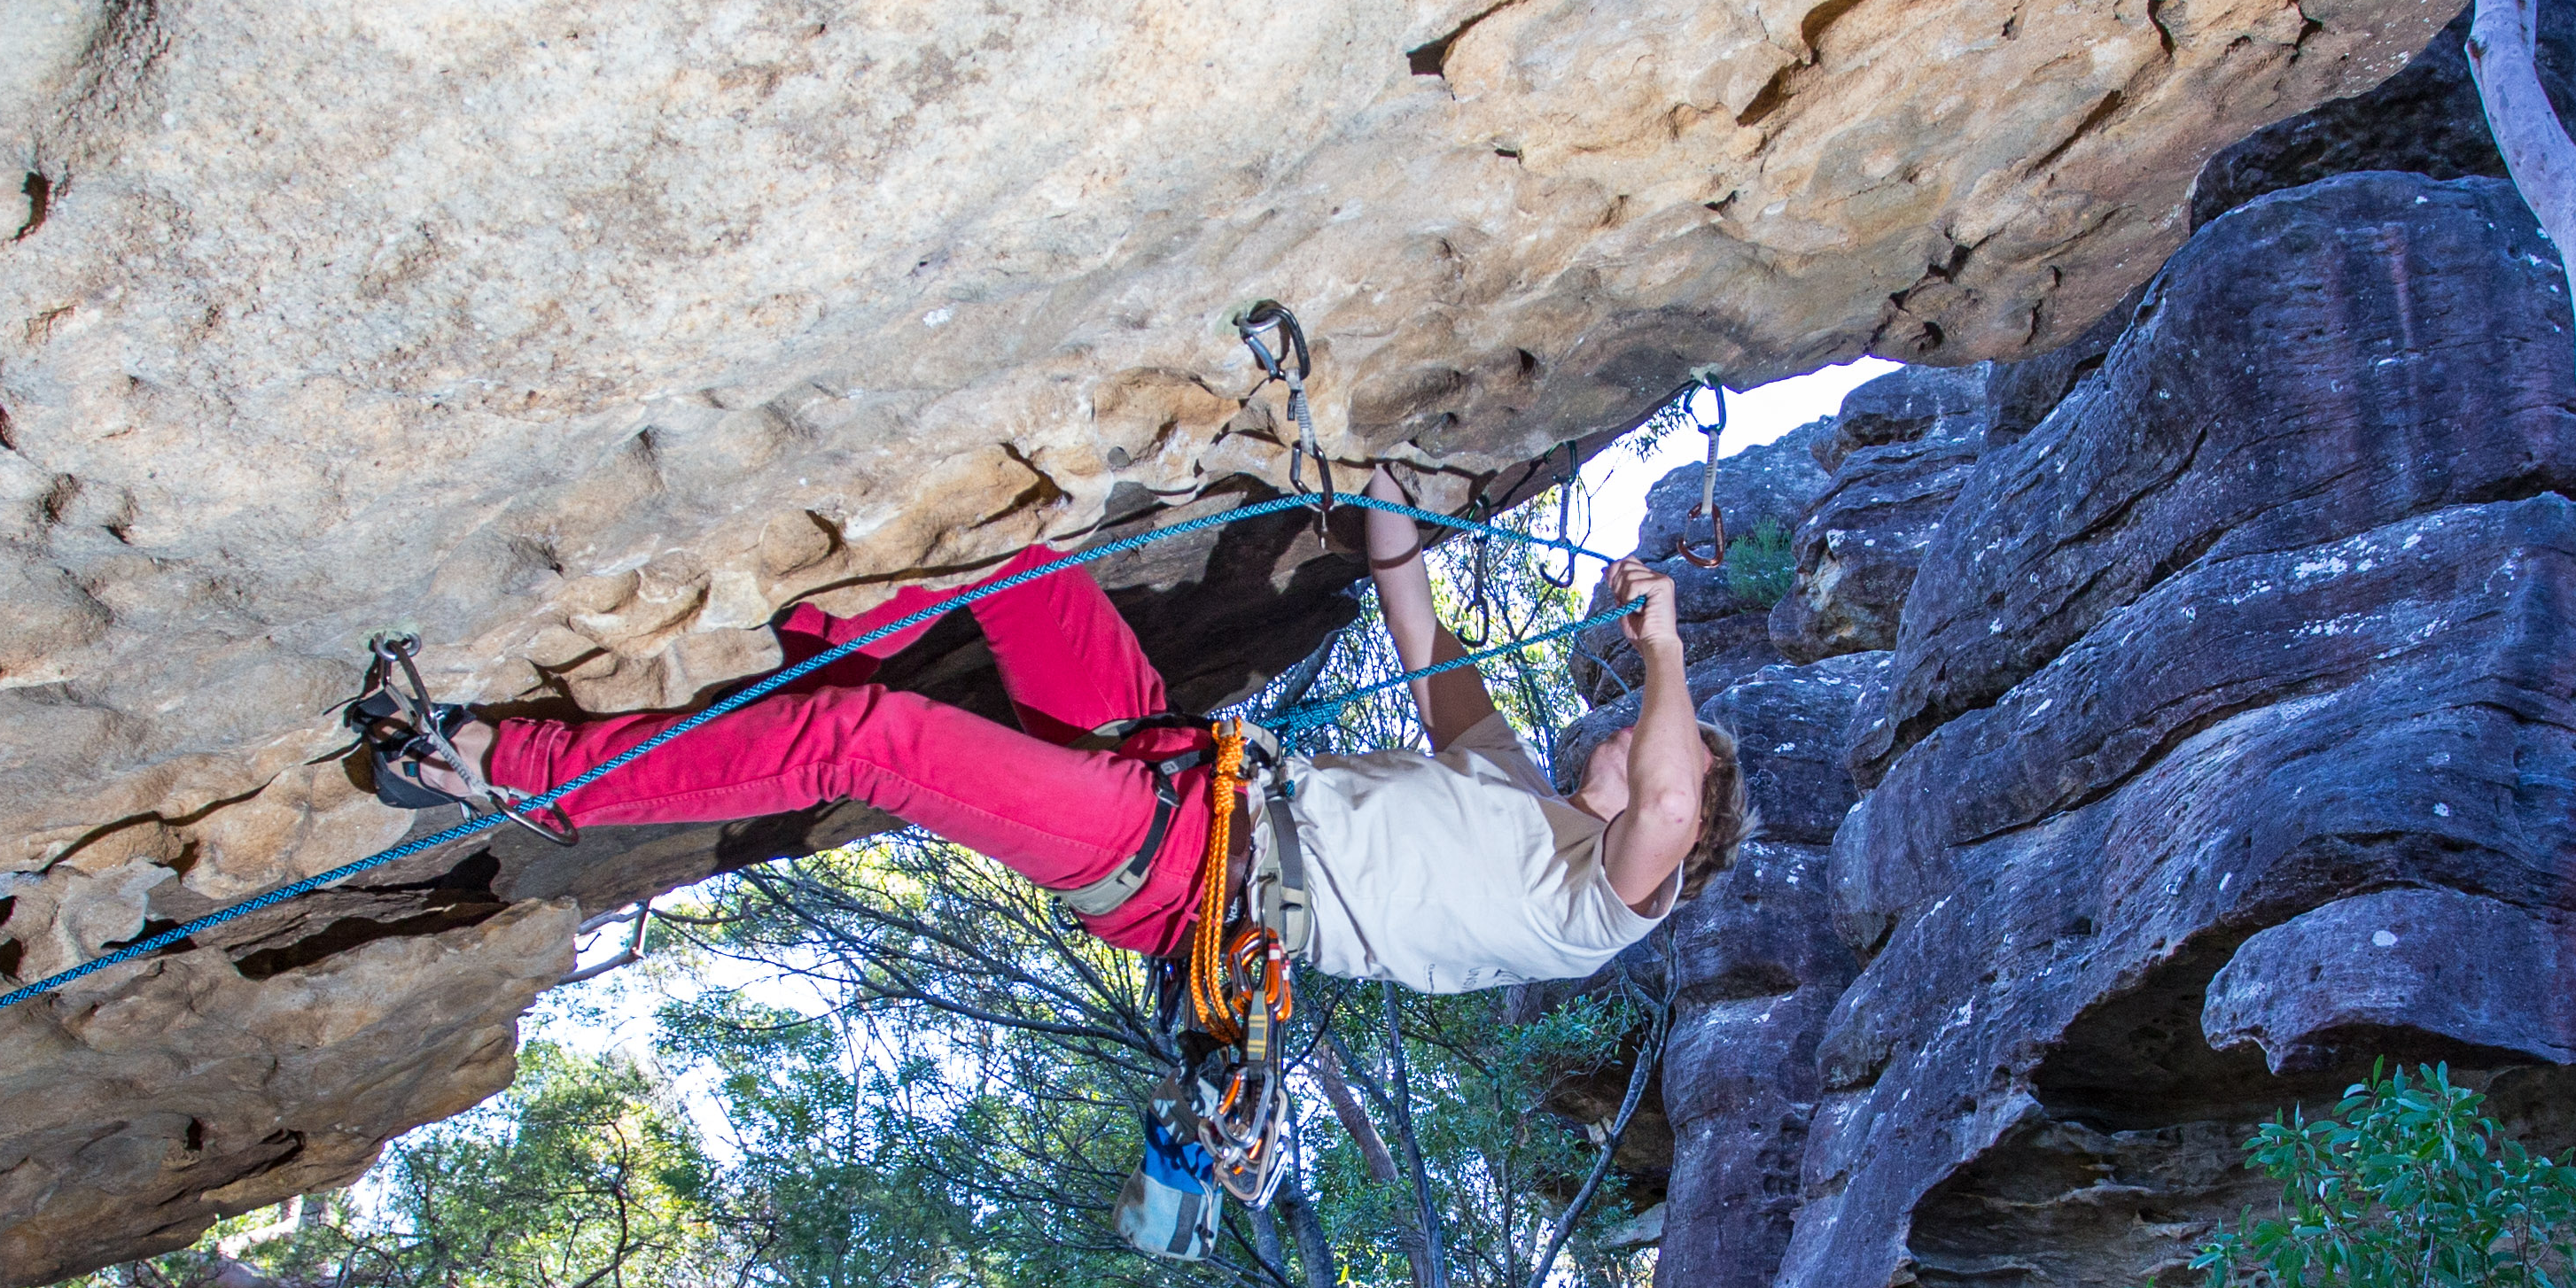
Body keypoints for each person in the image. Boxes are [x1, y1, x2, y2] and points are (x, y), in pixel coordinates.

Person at [347, 466, 1744, 993]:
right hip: (1174, 765)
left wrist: (1669, 645)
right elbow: (1414, 610)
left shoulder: (1601, 907)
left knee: (875, 743)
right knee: (1027, 565)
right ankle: (804, 624)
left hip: (1188, 872)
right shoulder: (1513, 783)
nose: (1624, 723)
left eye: (1650, 730)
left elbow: (1672, 807)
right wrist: (1387, 483)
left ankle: (515, 776)